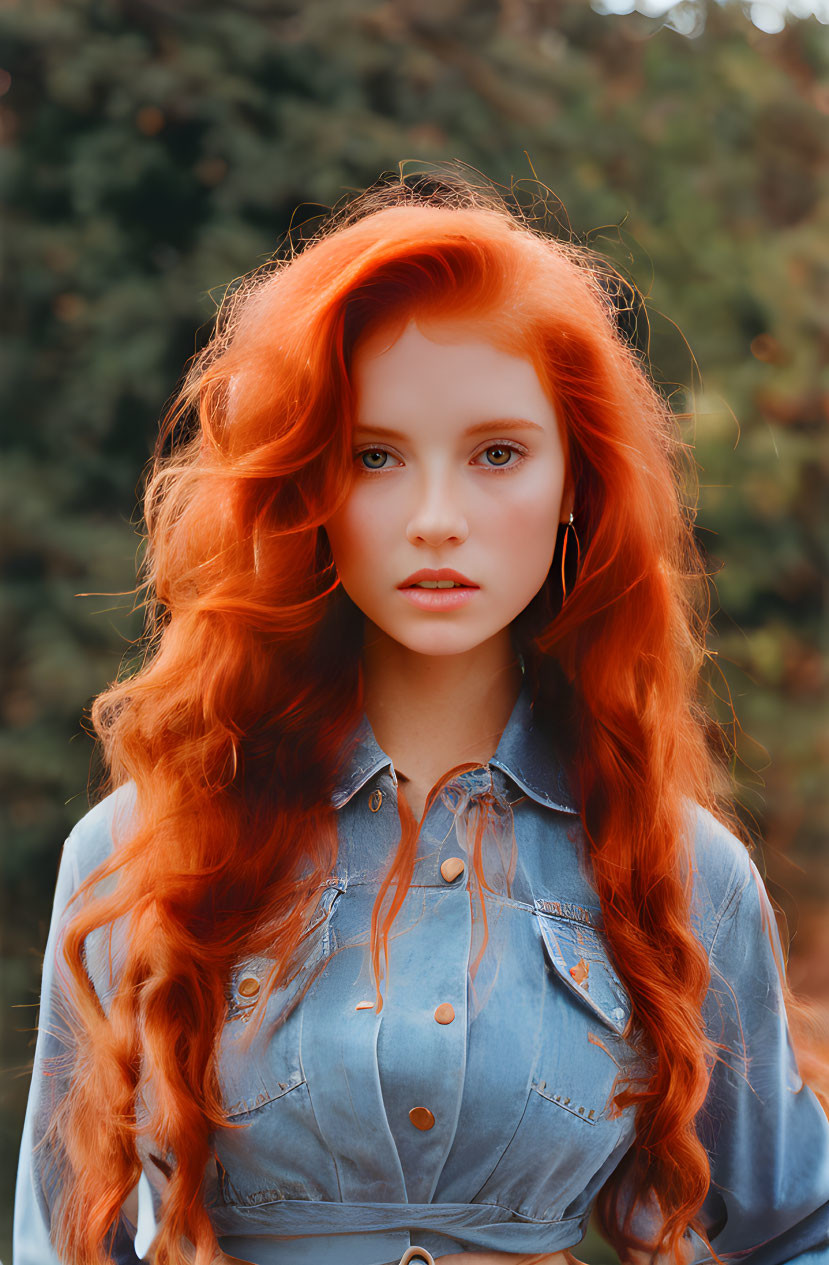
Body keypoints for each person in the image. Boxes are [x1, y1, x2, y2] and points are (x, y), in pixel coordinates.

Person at [13, 171, 829, 1265]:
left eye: (497, 453)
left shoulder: (681, 872)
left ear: (575, 482)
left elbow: (799, 1225)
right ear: (308, 484)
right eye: (373, 455)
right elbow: (62, 1237)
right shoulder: (139, 853)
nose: (436, 519)